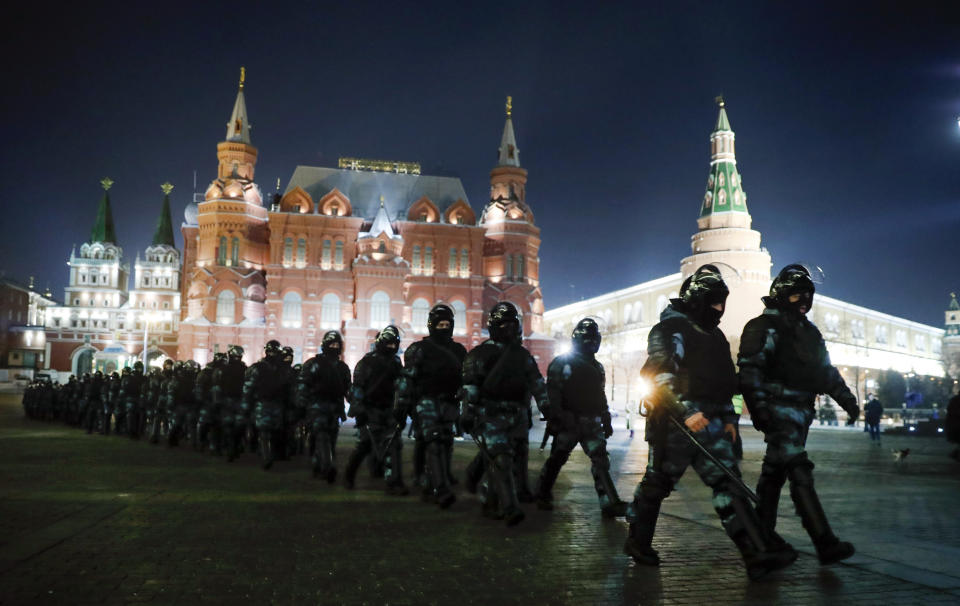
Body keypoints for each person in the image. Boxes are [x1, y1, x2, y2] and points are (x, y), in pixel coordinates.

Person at [624, 264, 796, 580]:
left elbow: (727, 380)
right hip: (676, 425)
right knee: (658, 483)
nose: (719, 309)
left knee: (728, 484)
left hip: (712, 423)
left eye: (722, 301)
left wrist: (730, 417)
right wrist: (685, 412)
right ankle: (637, 540)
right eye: (713, 301)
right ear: (697, 299)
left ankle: (756, 553)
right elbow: (660, 375)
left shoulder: (715, 335)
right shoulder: (670, 330)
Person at [739, 264, 860, 566]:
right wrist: (760, 410)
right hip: (779, 410)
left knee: (773, 476)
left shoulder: (809, 331)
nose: (803, 301)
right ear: (782, 294)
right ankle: (824, 542)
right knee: (798, 469)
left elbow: (825, 371)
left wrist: (847, 400)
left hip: (801, 411)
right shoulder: (763, 326)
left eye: (807, 295)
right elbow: (751, 371)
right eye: (796, 295)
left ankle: (761, 540)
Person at [460, 302, 550, 526]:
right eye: (504, 324)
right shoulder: (479, 355)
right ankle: (510, 507)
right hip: (490, 414)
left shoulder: (523, 355)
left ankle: (490, 500)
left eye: (512, 324)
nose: (508, 329)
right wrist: (468, 412)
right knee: (501, 458)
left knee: (510, 457)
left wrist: (546, 406)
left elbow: (536, 383)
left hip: (517, 415)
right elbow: (470, 386)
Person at [536, 318, 628, 518]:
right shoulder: (562, 363)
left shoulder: (597, 366)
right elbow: (553, 392)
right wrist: (558, 417)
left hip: (591, 422)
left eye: (594, 338)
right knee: (557, 459)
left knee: (601, 462)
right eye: (588, 338)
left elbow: (600, 394)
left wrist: (605, 417)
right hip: (569, 422)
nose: (591, 343)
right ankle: (542, 493)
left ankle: (609, 502)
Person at [396, 304, 467, 506]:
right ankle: (442, 489)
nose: (443, 328)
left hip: (449, 403)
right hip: (426, 401)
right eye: (440, 324)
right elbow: (407, 379)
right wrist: (401, 406)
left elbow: (466, 379)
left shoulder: (459, 350)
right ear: (431, 325)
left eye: (447, 324)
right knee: (434, 442)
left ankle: (430, 484)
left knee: (445, 443)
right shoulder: (419, 349)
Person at [346, 326, 406, 493]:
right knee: (365, 444)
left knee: (393, 445)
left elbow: (400, 386)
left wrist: (401, 408)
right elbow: (357, 388)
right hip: (370, 409)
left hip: (388, 409)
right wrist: (359, 411)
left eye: (394, 345)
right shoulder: (367, 362)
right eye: (389, 344)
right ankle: (349, 475)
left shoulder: (395, 362)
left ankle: (394, 482)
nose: (392, 348)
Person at [297, 331, 351, 482]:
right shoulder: (317, 365)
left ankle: (322, 464)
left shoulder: (339, 367)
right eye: (332, 344)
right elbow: (303, 386)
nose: (334, 347)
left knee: (327, 437)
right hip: (321, 407)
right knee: (322, 436)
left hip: (328, 408)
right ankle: (325, 464)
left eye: (336, 344)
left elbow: (348, 389)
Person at [243, 340, 289, 469]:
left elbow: (248, 387)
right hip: (275, 404)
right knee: (270, 432)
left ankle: (266, 455)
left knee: (265, 432)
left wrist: (247, 403)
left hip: (265, 404)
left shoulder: (258, 367)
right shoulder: (283, 368)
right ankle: (268, 455)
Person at [213, 346, 247, 462]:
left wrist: (217, 401)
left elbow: (217, 386)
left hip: (227, 401)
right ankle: (233, 448)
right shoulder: (245, 369)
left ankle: (228, 448)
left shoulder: (223, 369)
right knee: (237, 426)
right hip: (238, 402)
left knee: (228, 426)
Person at [946, 390, 960, 461]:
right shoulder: (955, 400)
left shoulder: (954, 400)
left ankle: (955, 454)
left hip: (954, 425)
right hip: (956, 425)